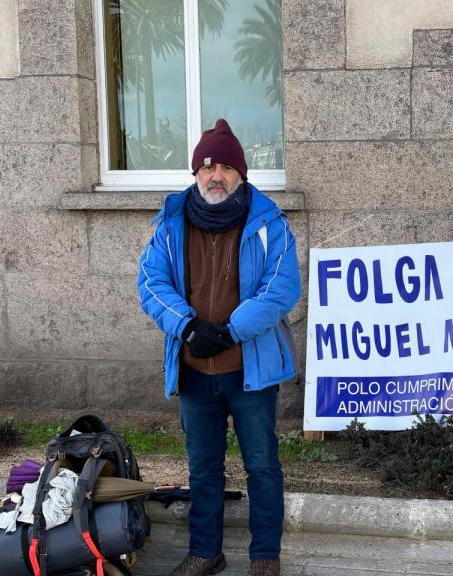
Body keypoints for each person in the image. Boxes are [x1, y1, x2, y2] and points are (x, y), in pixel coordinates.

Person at [137, 119, 300, 576]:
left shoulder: (270, 224)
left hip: (249, 370)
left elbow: (281, 289)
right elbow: (150, 283)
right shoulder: (170, 225)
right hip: (194, 371)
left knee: (262, 465)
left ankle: (265, 556)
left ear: (241, 175)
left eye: (226, 167)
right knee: (203, 470)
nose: (215, 176)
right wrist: (187, 328)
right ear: (194, 174)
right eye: (206, 167)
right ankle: (206, 550)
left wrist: (229, 331)